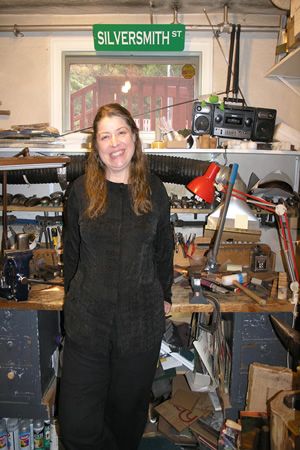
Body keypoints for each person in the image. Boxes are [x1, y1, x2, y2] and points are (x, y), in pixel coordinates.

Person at [58, 103, 174, 450]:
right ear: (95, 147)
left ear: (134, 138)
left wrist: (164, 294)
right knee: (77, 424)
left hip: (139, 327)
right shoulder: (81, 191)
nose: (114, 143)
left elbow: (164, 249)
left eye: (121, 132)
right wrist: (73, 299)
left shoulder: (155, 191)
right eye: (105, 136)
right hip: (88, 326)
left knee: (126, 422)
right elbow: (72, 253)